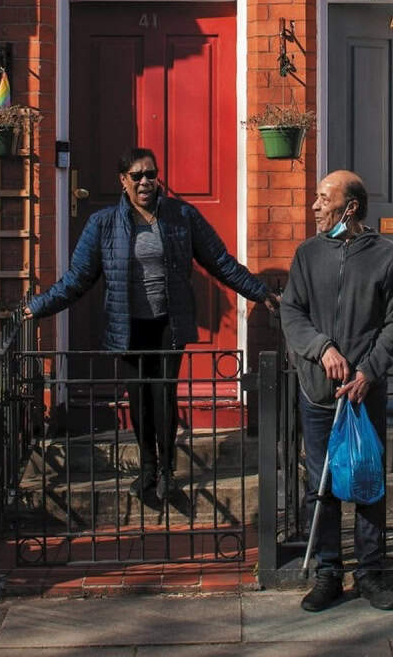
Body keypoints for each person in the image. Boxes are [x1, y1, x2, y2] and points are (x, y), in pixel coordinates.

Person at [25, 147, 278, 500]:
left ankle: (166, 471)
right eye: (137, 176)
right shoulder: (103, 224)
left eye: (151, 175)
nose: (145, 182)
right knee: (139, 398)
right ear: (123, 181)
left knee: (164, 394)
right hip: (128, 325)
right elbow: (78, 278)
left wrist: (259, 292)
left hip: (168, 323)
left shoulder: (181, 216)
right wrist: (40, 306)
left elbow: (220, 261)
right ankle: (146, 467)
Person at [281, 170, 393, 612]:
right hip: (318, 389)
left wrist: (369, 371)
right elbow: (292, 312)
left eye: (324, 198)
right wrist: (322, 349)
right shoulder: (308, 254)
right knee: (322, 482)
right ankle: (328, 572)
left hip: (363, 391)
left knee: (368, 479)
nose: (315, 206)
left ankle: (370, 573)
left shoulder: (387, 256)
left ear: (349, 207)